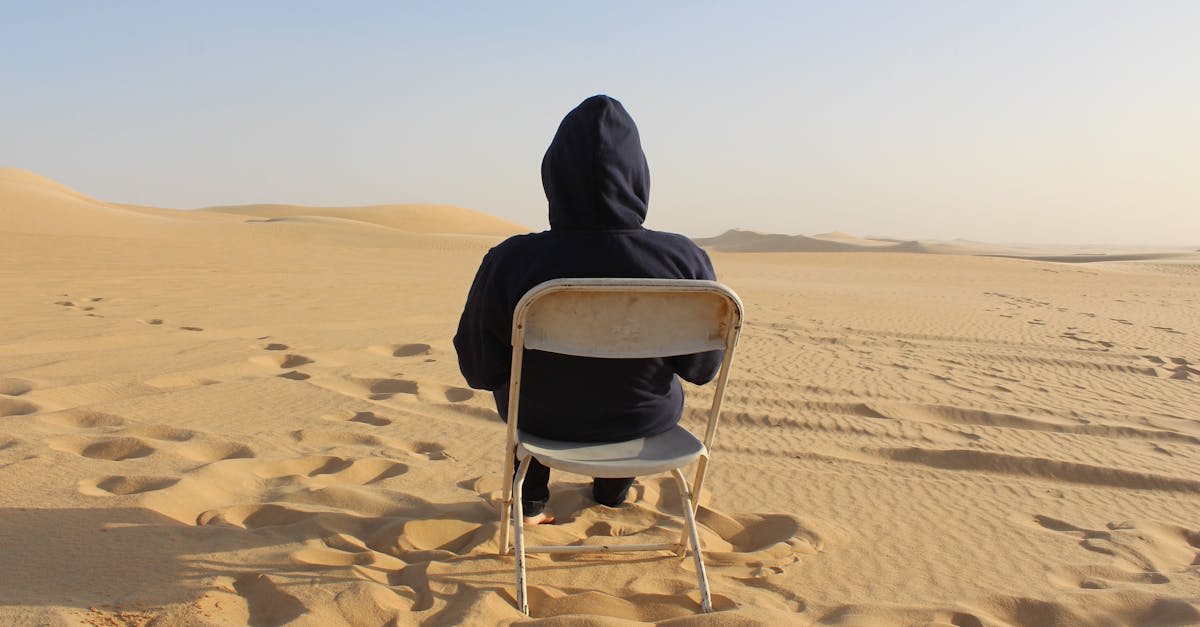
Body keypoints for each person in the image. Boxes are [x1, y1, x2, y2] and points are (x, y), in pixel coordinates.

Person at [453, 95, 722, 524]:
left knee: (524, 384)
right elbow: (703, 369)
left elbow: (478, 369)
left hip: (541, 421)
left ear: (554, 176)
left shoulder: (512, 260)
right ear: (639, 176)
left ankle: (531, 501)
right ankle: (613, 494)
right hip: (644, 422)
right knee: (622, 390)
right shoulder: (683, 260)